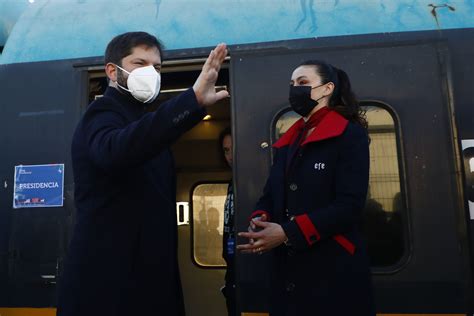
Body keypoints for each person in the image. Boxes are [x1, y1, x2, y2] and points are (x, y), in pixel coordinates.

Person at [57, 32, 228, 316]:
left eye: (157, 67)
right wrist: (192, 100)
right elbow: (116, 150)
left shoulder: (141, 120)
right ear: (112, 71)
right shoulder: (102, 113)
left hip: (145, 283)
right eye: (140, 63)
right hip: (110, 289)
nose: (150, 72)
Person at [237, 60, 375, 315]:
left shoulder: (349, 135)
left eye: (302, 83)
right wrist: (261, 221)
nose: (295, 90)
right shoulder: (289, 141)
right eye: (292, 84)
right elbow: (270, 195)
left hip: (333, 275)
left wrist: (287, 232)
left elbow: (349, 206)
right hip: (288, 275)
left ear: (327, 89)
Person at [219, 127, 236, 316]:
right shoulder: (233, 183)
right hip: (232, 266)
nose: (230, 156)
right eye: (226, 150)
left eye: (233, 148)